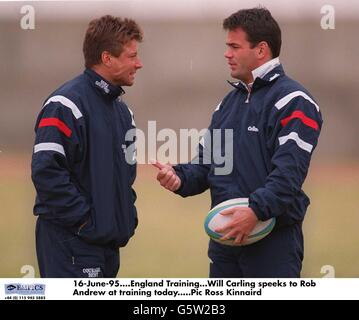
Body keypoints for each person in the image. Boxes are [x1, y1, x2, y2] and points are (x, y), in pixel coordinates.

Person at [153, 7, 323, 277]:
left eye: (234, 46)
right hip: (225, 246)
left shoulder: (294, 102)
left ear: (261, 50)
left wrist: (255, 211)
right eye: (227, 46)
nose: (226, 54)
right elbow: (209, 166)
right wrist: (179, 177)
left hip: (273, 248)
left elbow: (288, 174)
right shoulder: (226, 106)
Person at [31, 15, 143, 278]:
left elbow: (125, 179)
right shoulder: (65, 104)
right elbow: (47, 172)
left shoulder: (123, 113)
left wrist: (125, 217)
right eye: (131, 56)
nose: (139, 64)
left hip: (106, 244)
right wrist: (85, 222)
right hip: (70, 244)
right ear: (107, 58)